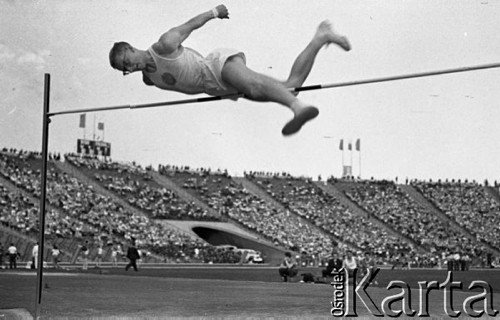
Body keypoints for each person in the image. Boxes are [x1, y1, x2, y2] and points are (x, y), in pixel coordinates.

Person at [109, 5, 351, 136]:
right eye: (124, 70)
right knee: (290, 86)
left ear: (130, 48)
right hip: (216, 87)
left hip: (216, 66)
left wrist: (215, 13)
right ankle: (321, 37)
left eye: (126, 62)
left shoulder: (164, 45)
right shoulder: (148, 80)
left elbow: (190, 25)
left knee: (258, 88)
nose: (129, 69)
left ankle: (299, 110)